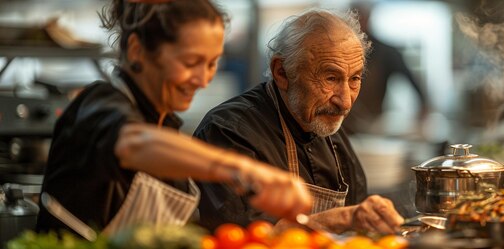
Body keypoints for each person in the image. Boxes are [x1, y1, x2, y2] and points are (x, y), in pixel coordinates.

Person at [36, 0, 311, 236]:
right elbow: (133, 143)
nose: (203, 79)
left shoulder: (166, 129)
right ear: (137, 50)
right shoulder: (98, 104)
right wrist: (246, 170)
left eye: (212, 63)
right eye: (191, 63)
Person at [193, 9, 404, 234]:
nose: (344, 102)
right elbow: (238, 238)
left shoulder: (335, 139)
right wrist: (338, 218)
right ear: (282, 72)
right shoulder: (228, 132)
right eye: (330, 78)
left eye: (354, 79)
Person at [342, 2, 429, 135]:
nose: (357, 23)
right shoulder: (337, 51)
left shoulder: (386, 52)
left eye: (361, 18)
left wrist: (423, 108)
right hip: (341, 125)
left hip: (372, 126)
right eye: (353, 18)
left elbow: (413, 81)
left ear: (369, 18)